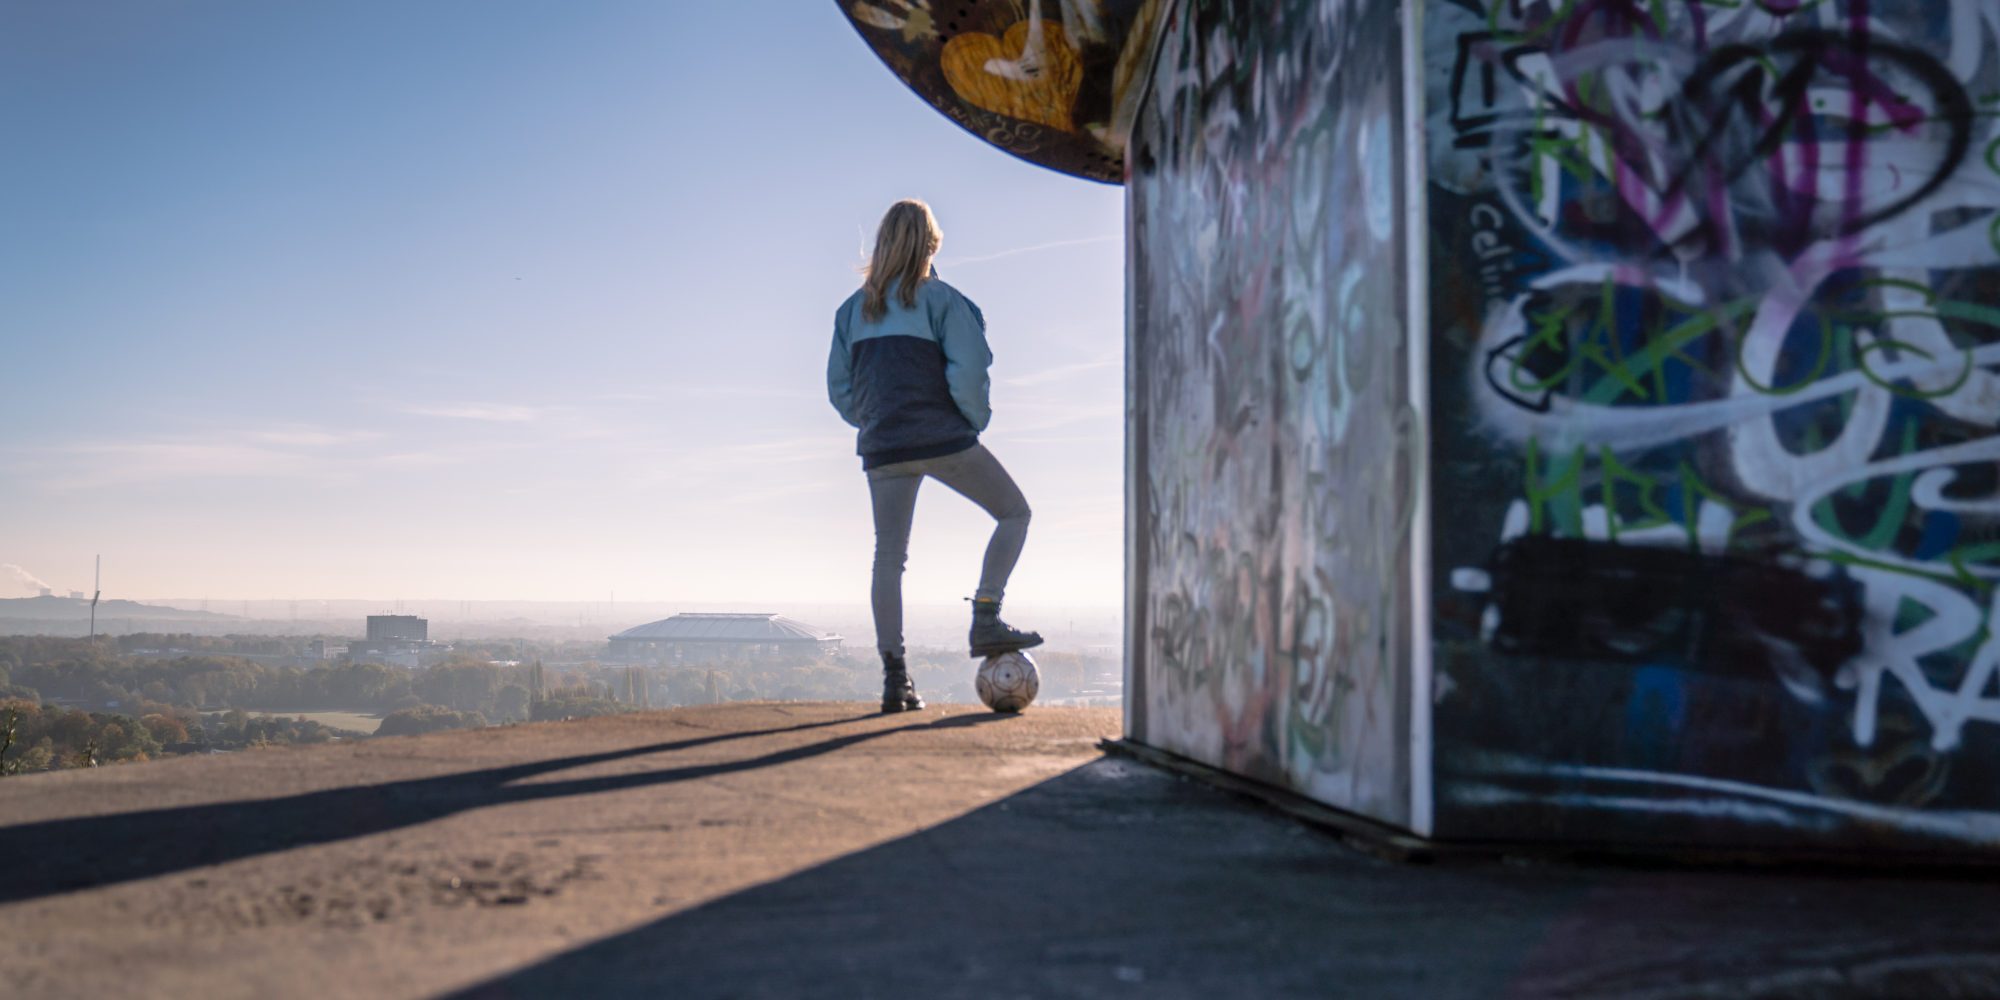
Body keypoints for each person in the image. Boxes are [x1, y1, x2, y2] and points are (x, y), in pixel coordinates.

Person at [827, 199, 1043, 713]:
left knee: (888, 556)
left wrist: (877, 422)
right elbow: (968, 373)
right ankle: (986, 614)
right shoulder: (944, 301)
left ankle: (895, 680)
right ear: (931, 245)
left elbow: (840, 389)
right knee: (1014, 513)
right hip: (943, 438)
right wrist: (971, 423)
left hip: (884, 447)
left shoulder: (851, 311)